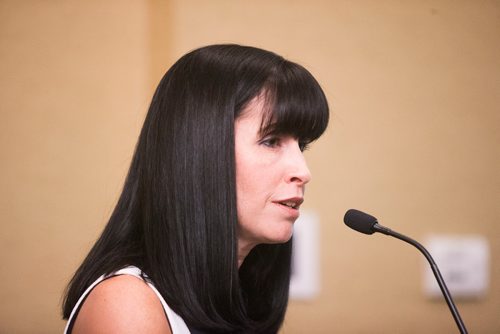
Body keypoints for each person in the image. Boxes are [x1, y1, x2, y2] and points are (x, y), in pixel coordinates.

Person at [62, 44, 329, 333]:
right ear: (199, 150)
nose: (303, 172)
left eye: (301, 146)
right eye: (271, 141)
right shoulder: (126, 304)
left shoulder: (239, 298)